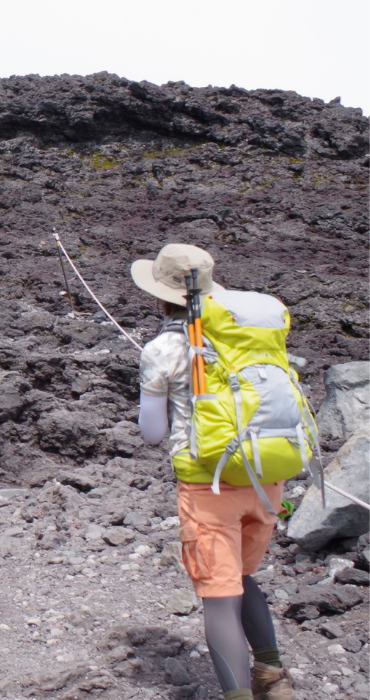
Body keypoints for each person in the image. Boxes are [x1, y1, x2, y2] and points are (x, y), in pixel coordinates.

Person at [133, 244, 294, 700]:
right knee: (243, 579)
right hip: (266, 476)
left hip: (209, 485)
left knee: (220, 597)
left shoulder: (162, 348)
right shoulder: (241, 336)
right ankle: (272, 677)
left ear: (158, 298)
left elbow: (152, 432)